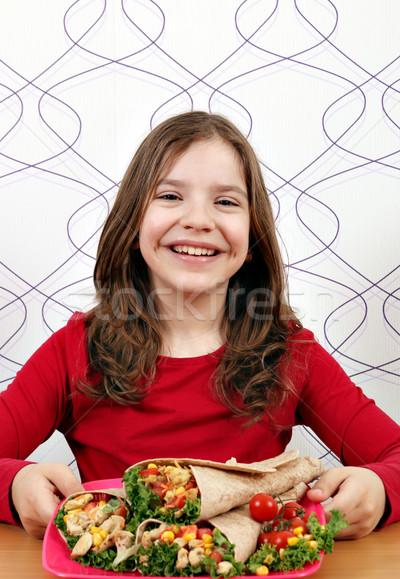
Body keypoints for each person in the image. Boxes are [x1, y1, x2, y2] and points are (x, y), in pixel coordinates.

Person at [1, 111, 399, 541]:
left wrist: (381, 490)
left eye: (226, 202)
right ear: (134, 225)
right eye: (170, 196)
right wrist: (13, 487)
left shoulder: (289, 353)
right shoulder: (74, 351)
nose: (198, 220)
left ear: (251, 241)